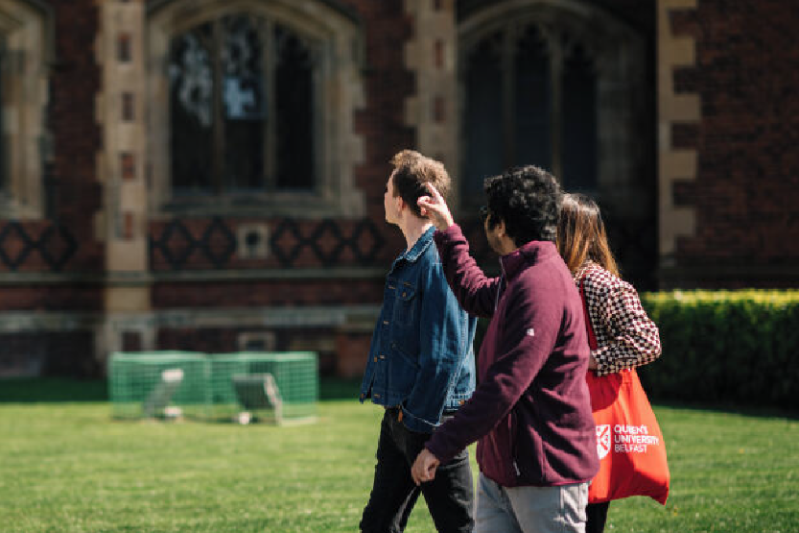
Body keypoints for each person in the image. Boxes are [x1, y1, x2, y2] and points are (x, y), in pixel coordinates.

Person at [412, 166, 599, 533]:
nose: (486, 224)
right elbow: (476, 292)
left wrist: (440, 446)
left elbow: (504, 386)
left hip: (546, 476)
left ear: (501, 225)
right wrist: (448, 230)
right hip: (502, 473)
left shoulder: (540, 284)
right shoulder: (521, 276)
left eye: (487, 215)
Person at [358, 150, 478, 533]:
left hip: (432, 419)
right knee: (378, 525)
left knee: (458, 526)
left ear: (402, 202)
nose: (382, 197)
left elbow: (445, 354)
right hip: (400, 413)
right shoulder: (412, 257)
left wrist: (420, 427)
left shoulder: (438, 261)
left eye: (387, 189)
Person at [556, 193, 662, 533]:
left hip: (589, 419)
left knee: (585, 515)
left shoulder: (597, 283)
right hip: (560, 415)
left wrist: (591, 359)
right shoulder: (555, 277)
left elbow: (647, 340)